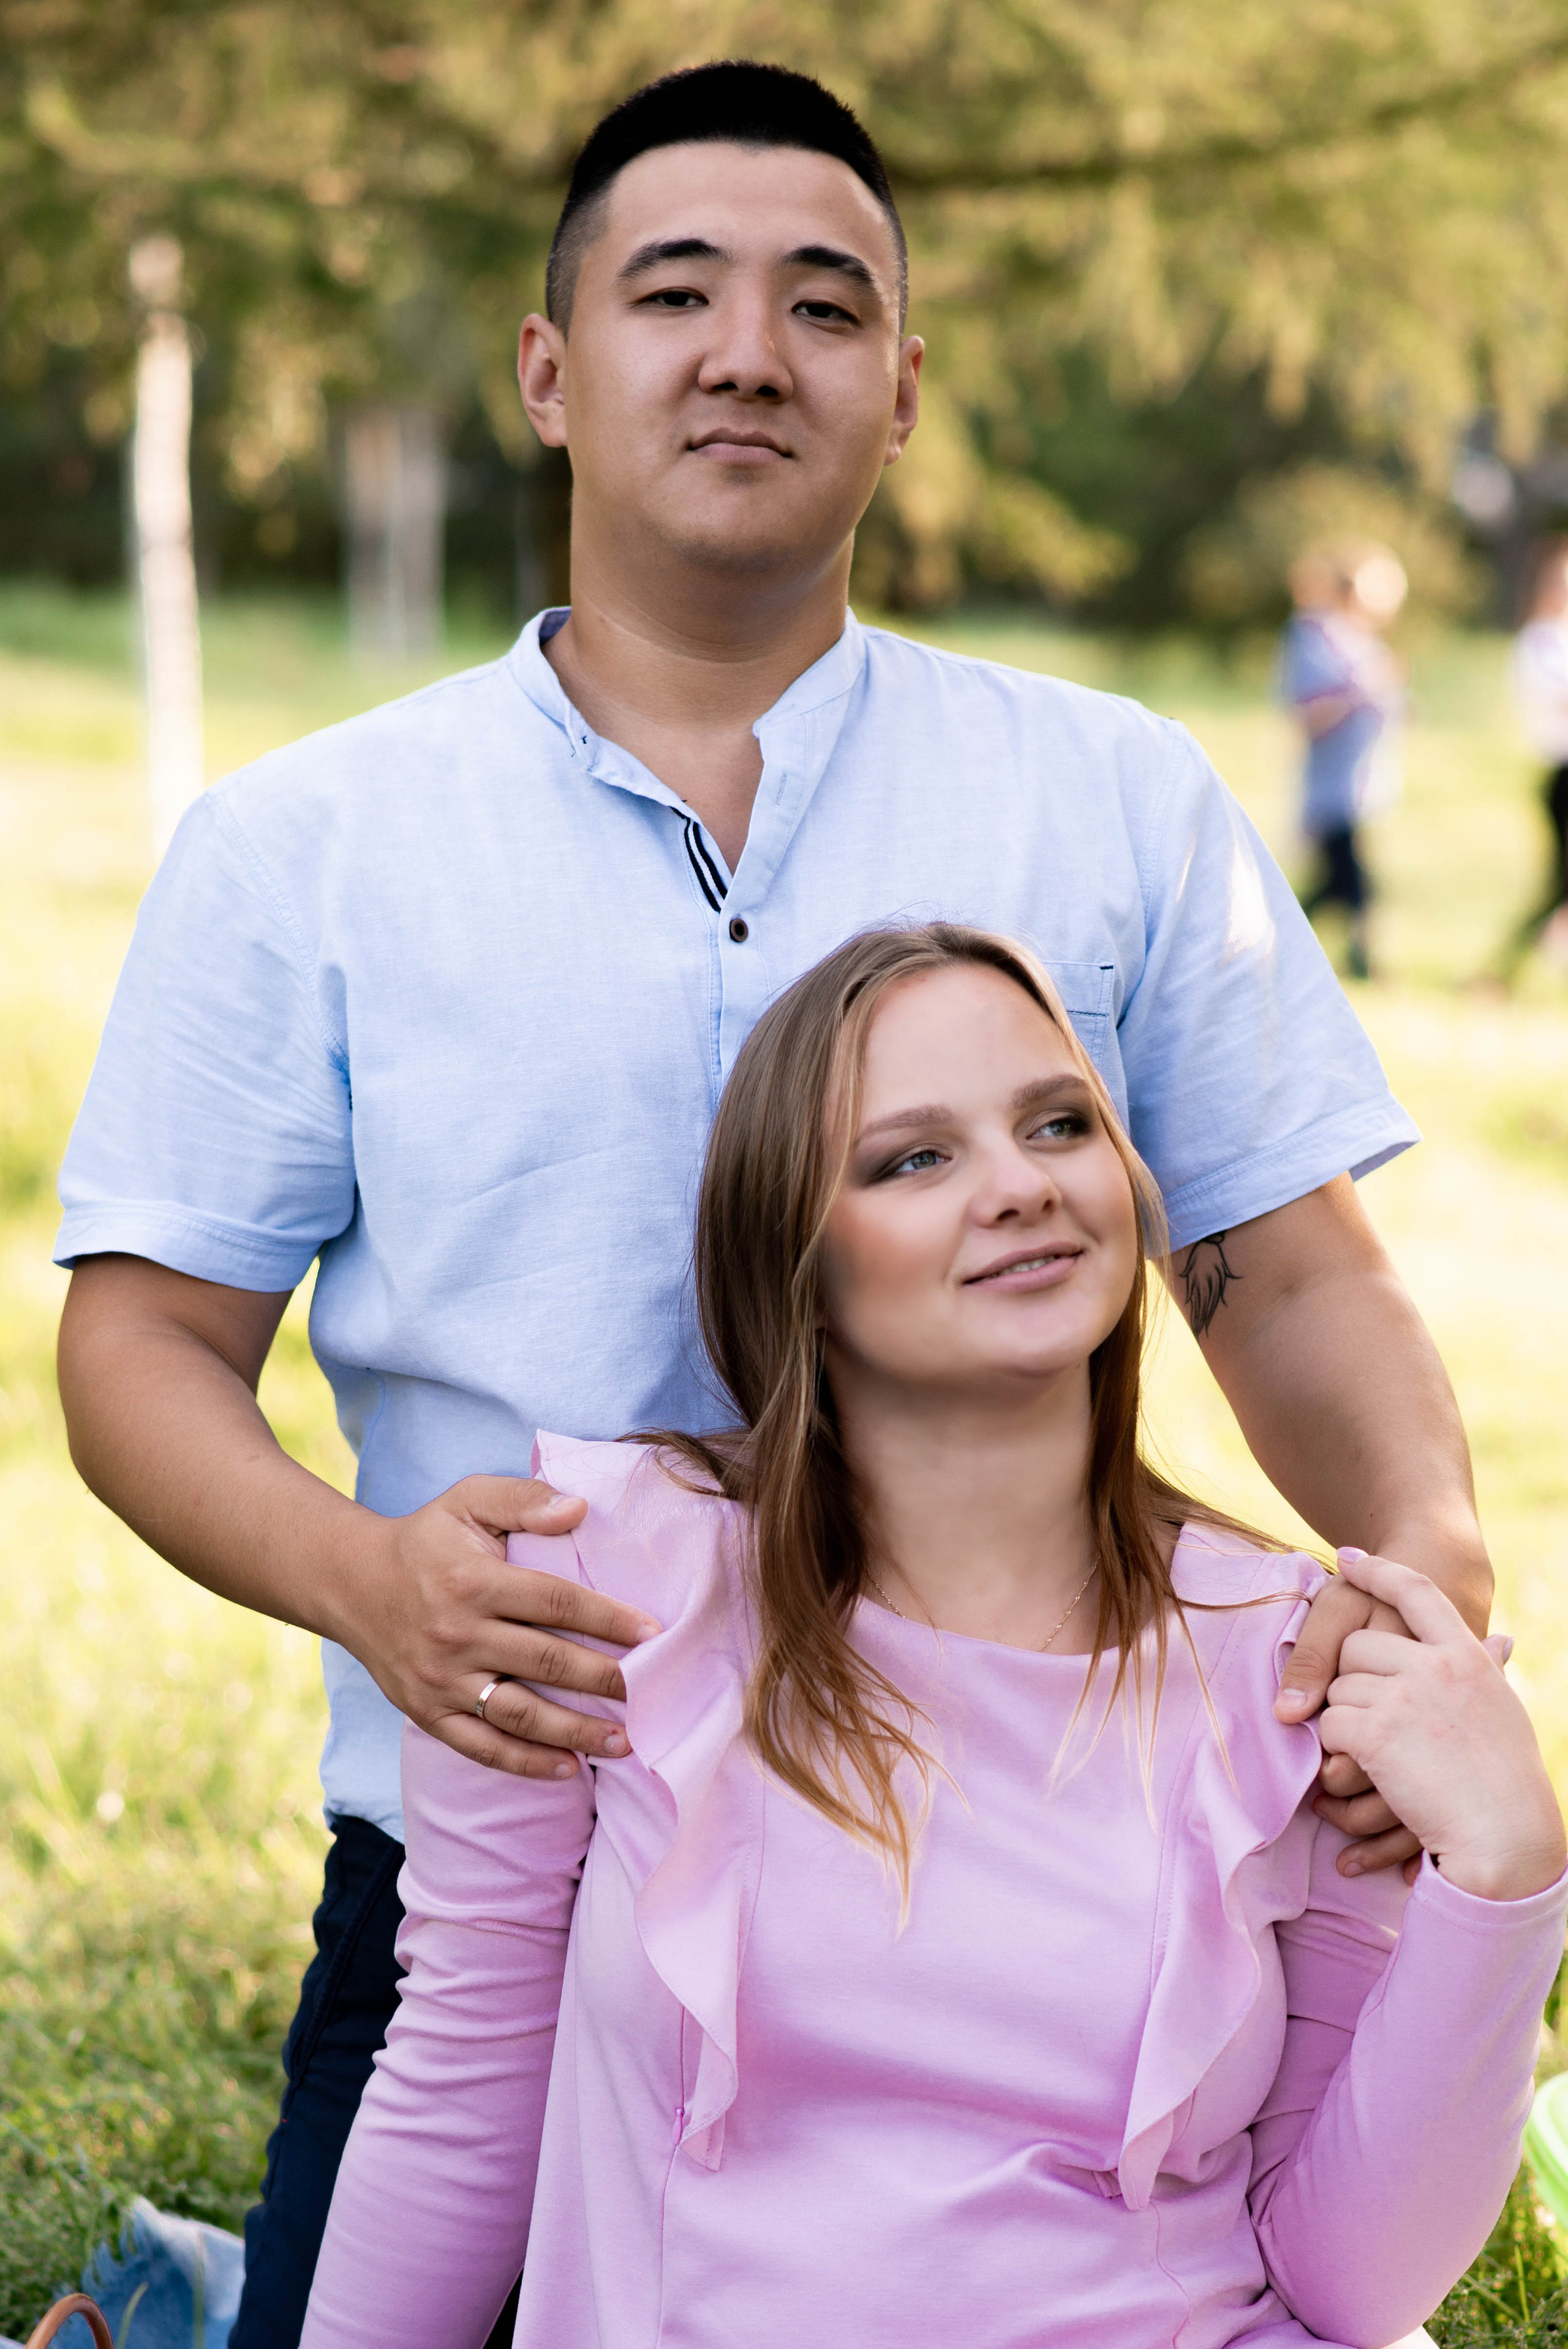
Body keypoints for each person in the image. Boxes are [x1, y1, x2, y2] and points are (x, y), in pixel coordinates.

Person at [53, 64, 1493, 2347]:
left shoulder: (1105, 794)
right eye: (671, 292)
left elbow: (1286, 1263)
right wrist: (372, 1584)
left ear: (900, 389)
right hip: (506, 1862)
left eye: (824, 304)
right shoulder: (308, 845)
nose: (748, 349)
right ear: (548, 369)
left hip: (1053, 1862)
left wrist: (1422, 1597)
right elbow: (137, 1348)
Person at [301, 924, 1567, 2349]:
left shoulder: (1287, 1661)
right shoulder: (589, 1581)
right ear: (793, 1251)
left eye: (1057, 1122)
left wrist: (1507, 1878)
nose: (1020, 1182)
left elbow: (1349, 2279)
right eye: (914, 1155)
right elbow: (464, 2089)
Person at [1281, 540, 1408, 981]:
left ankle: (1278, 952)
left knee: (1339, 884)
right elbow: (1307, 713)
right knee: (1352, 884)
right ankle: (1361, 963)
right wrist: (1358, 692)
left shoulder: (1363, 642)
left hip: (1363, 783)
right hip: (1331, 785)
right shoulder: (1314, 638)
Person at [1498, 535, 1568, 981]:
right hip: (1561, 770)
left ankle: (1506, 970)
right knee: (1558, 885)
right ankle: (1502, 970)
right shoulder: (1539, 643)